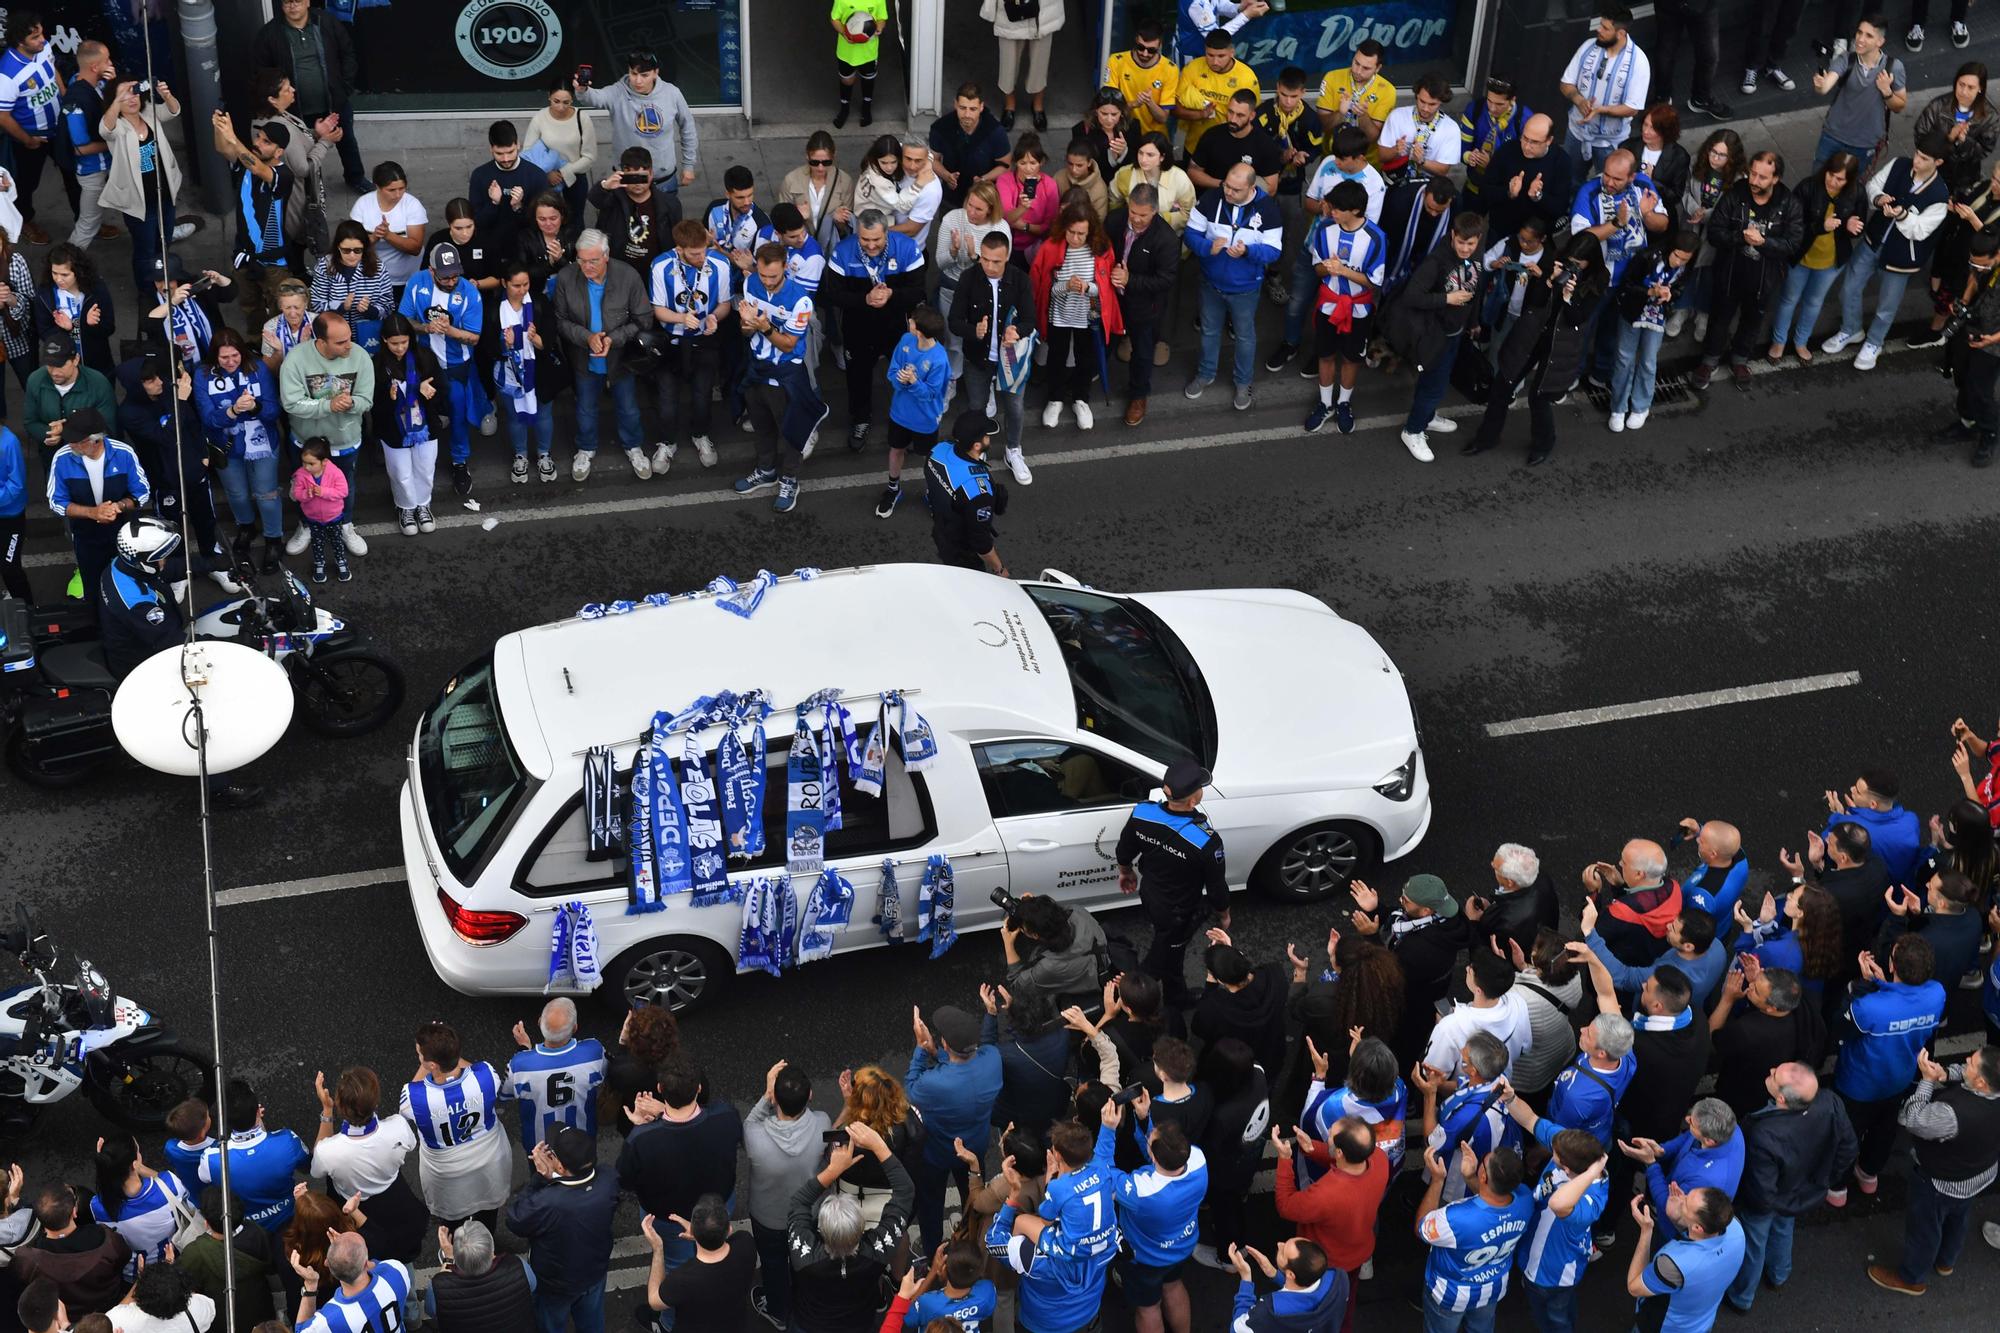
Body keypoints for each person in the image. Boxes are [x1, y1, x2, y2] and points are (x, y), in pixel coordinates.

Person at [1863, 1043, 2000, 1294]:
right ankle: (1946, 1261)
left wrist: (1927, 1080)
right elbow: (1966, 1074)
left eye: (1970, 1063)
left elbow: (1912, 1119)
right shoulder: (1991, 1089)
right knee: (1958, 1218)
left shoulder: (1952, 1115)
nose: (1966, 1059)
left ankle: (1911, 1278)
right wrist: (1946, 1074)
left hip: (1940, 1182)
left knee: (1925, 1231)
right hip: (1978, 1175)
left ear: (1981, 1083)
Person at [1724, 1062, 1855, 1311]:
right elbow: (1848, 1148)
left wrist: (1777, 1203)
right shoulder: (1830, 1103)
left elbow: (1762, 1193)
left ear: (1781, 1098)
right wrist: (1823, 1180)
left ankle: (1742, 1298)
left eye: (1774, 1074)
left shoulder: (1765, 1134)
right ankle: (1779, 1275)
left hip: (1769, 1201)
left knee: (1754, 1246)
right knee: (1784, 1230)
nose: (1771, 1069)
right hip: (1799, 1192)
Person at [1830, 934, 1947, 1201]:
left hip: (1858, 1083)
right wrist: (1882, 983)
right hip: (1899, 1079)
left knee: (1847, 1134)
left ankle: (1837, 1187)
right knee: (1884, 1131)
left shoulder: (1870, 1006)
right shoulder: (1936, 994)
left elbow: (1842, 1029)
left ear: (1892, 965)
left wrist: (1862, 985)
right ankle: (1869, 1174)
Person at [1114, 761, 1230, 1009]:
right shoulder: (1205, 841)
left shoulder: (1142, 812)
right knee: (1165, 955)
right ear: (1192, 801)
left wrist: (1126, 871)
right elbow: (1217, 887)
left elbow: (1125, 849)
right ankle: (1131, 996)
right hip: (1179, 909)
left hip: (1150, 894)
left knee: (1170, 950)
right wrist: (1224, 915)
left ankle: (1176, 995)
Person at [617, 1055, 744, 1280]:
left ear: (659, 1089)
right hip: (719, 1204)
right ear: (698, 1088)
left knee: (676, 1269)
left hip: (669, 1218)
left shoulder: (641, 1139)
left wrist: (646, 1124)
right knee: (715, 1250)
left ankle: (673, 1314)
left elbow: (626, 1179)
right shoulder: (726, 1115)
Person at [790, 1120, 913, 1333]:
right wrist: (879, 1146)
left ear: (820, 1229)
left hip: (809, 1325)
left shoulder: (804, 1255)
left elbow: (798, 1203)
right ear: (862, 1227)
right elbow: (905, 1191)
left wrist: (833, 1170)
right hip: (859, 1324)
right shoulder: (877, 1252)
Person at [1693, 151, 1802, 389]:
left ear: (1776, 178)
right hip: (1730, 273)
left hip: (1765, 278)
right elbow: (1715, 233)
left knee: (1752, 321)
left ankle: (1740, 359)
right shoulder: (1735, 195)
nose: (1754, 181)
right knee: (1720, 319)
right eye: (1753, 173)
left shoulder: (1788, 204)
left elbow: (1793, 244)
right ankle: (1709, 360)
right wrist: (1740, 237)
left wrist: (1764, 242)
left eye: (1763, 177)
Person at [551, 228, 651, 482]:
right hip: (584, 358)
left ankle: (634, 446)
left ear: (606, 256)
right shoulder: (565, 277)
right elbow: (559, 321)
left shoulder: (628, 276)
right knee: (585, 407)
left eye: (593, 260)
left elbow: (644, 319)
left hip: (620, 358)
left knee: (628, 407)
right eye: (581, 260)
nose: (586, 266)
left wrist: (612, 339)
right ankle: (585, 448)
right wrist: (587, 337)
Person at [734, 241, 828, 511]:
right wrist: (747, 325)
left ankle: (790, 479)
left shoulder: (801, 299)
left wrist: (763, 327)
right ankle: (766, 471)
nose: (767, 282)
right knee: (762, 426)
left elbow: (788, 344)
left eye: (773, 276)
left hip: (786, 373)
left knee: (791, 432)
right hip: (757, 368)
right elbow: (744, 331)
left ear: (786, 268)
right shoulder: (751, 284)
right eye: (763, 275)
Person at [1388, 213, 1486, 463]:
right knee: (1435, 385)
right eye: (1461, 242)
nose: (1465, 249)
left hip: (1455, 332)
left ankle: (1427, 416)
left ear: (1479, 240)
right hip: (1435, 335)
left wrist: (1473, 322)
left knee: (1434, 382)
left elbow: (1474, 290)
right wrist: (1446, 299)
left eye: (1471, 244)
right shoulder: (1436, 261)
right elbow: (1411, 296)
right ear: (1452, 235)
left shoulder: (1475, 256)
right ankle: (1413, 430)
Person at [1183, 162, 1280, 410]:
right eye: (1226, 185)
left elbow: (1274, 250)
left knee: (1245, 337)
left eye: (1235, 190)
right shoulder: (1211, 198)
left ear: (1251, 188)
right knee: (1209, 331)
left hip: (1246, 288)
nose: (1228, 192)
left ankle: (1243, 381)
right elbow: (1191, 233)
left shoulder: (1268, 209)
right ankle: (1205, 374)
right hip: (1211, 283)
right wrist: (1207, 247)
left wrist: (1249, 251)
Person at [906, 1005, 1003, 1252]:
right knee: (973, 1195)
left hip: (937, 1154)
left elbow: (911, 1089)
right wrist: (937, 1052)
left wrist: (921, 1048)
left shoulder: (934, 1083)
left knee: (931, 1204)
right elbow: (980, 1055)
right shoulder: (992, 1059)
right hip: (975, 1147)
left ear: (946, 1045)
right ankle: (972, 1237)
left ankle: (931, 1252)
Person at [1273, 1116, 1386, 1328]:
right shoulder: (1379, 1158)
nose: (1328, 1138)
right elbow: (1346, 1160)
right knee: (1345, 1304)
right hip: (1357, 1253)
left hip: (1325, 1264)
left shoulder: (1326, 1194)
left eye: (1330, 1137)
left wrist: (1284, 1159)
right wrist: (1313, 1148)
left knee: (1317, 1313)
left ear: (1341, 1152)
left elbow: (1286, 1206)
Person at [399, 1021, 511, 1234]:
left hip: (446, 1174)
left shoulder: (413, 1097)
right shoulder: (487, 1075)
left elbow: (411, 1094)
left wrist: (436, 1054)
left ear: (432, 1065)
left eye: (420, 1055)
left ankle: (451, 1253)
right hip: (488, 1161)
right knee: (488, 1213)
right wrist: (446, 1048)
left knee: (450, 1222)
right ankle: (486, 1245)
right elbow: (466, 1067)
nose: (419, 1058)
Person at [505, 1125, 618, 1333]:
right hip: (595, 1271)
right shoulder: (608, 1179)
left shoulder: (550, 1202)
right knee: (592, 1323)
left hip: (556, 1283)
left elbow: (515, 1219)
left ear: (560, 1166)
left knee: (551, 1325)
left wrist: (540, 1178)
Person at [277, 311, 372, 556]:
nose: (348, 345)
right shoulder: (296, 360)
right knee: (304, 483)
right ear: (321, 341)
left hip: (346, 439)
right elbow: (291, 403)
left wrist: (351, 404)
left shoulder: (360, 357)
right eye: (340, 342)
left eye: (349, 338)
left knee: (345, 485)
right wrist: (328, 406)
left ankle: (346, 525)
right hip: (306, 442)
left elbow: (366, 400)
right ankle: (306, 525)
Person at [744, 1060, 828, 1331]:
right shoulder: (822, 1122)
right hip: (807, 1215)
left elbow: (752, 1119)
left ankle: (778, 1311)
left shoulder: (755, 1136)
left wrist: (768, 1092)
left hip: (768, 1217)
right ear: (811, 1096)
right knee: (803, 1260)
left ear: (775, 1099)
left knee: (772, 1263)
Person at [1416, 1143, 1534, 1332]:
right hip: (1493, 1287)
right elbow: (1495, 1198)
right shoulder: (1526, 1199)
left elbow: (1422, 1227)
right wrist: (1471, 1177)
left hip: (1450, 1293)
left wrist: (1437, 1180)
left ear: (1484, 1176)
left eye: (1484, 1161)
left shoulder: (1457, 1218)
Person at [398, 241, 483, 494]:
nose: (451, 281)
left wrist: (449, 331)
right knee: (417, 408)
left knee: (458, 409)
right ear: (432, 270)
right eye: (445, 277)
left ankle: (459, 460)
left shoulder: (469, 292)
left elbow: (474, 337)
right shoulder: (417, 282)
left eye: (456, 274)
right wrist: (425, 328)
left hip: (456, 362)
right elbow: (403, 320)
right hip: (424, 361)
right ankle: (416, 457)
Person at [45, 405, 146, 614]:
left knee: (129, 579)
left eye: (76, 441)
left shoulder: (124, 453)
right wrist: (92, 513)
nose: (70, 444)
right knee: (92, 584)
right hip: (85, 534)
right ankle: (98, 622)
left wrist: (118, 507)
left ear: (95, 439)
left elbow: (142, 492)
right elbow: (56, 501)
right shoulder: (62, 458)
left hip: (123, 533)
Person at [948, 233, 1034, 478]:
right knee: (977, 407)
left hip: (1011, 359)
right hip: (977, 357)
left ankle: (1013, 451)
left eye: (996, 261)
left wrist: (1016, 330)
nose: (989, 266)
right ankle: (979, 450)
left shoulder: (1021, 280)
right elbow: (954, 321)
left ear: (1007, 257)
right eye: (984, 259)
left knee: (1015, 408)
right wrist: (972, 330)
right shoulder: (968, 278)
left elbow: (1030, 320)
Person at [1029, 201, 1121, 430]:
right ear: (1064, 227)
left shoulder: (1102, 247)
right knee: (1056, 358)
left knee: (1085, 359)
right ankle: (1055, 399)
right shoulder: (1051, 247)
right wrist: (1066, 287)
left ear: (1091, 231)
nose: (1076, 238)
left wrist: (1088, 288)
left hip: (1088, 316)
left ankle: (1081, 399)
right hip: (1058, 315)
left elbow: (1108, 288)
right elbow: (1042, 289)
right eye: (1072, 232)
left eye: (1082, 233)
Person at [99, 76, 185, 296]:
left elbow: (173, 110)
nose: (131, 98)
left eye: (134, 92)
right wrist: (117, 101)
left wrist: (166, 95)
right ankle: (147, 291)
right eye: (124, 94)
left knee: (163, 243)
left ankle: (164, 282)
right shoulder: (117, 125)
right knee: (145, 250)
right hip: (139, 202)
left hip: (164, 194)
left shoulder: (149, 113)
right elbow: (105, 130)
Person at [212, 112, 295, 335]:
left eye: (266, 142)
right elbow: (224, 149)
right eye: (258, 137)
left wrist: (232, 137)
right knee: (250, 308)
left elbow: (258, 168)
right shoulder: (245, 166)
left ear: (279, 151)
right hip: (244, 256)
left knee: (280, 311)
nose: (258, 143)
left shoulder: (283, 175)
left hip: (273, 261)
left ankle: (279, 351)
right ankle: (256, 345)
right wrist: (220, 128)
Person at [575, 50, 698, 199]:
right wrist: (583, 90)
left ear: (655, 73)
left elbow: (688, 128)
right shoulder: (618, 92)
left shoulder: (672, 93)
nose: (638, 80)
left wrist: (688, 165)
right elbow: (596, 98)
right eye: (634, 74)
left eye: (644, 75)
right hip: (628, 179)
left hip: (663, 178)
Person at [1104, 185, 1177, 426]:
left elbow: (1166, 279)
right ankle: (1094, 373)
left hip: (1145, 306)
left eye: (1142, 215)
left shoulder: (1165, 239)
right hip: (1112, 298)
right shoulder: (1115, 221)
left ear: (1155, 211)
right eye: (1132, 211)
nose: (1135, 218)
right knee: (1106, 337)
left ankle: (1138, 395)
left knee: (1143, 353)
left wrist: (1130, 280)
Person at [505, 996, 606, 1152]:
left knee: (540, 1176)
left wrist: (524, 1049)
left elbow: (506, 1094)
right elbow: (606, 1073)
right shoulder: (594, 1052)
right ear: (575, 1028)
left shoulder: (520, 1064)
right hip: (582, 1141)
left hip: (540, 1147)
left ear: (539, 1022)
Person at [1560, 8, 1653, 177]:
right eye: (1600, 25)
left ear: (1620, 33)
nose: (1598, 30)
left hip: (1610, 143)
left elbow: (1633, 108)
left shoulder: (1638, 62)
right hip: (1576, 133)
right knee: (1568, 180)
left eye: (1605, 28)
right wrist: (1578, 100)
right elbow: (1566, 83)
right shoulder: (1588, 47)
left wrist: (1601, 110)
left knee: (1610, 188)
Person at [877, 303, 949, 518]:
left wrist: (913, 382)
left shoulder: (939, 359)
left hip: (925, 420)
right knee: (896, 449)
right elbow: (892, 371)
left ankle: (932, 492)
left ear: (919, 330)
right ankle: (893, 489)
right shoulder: (905, 340)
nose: (908, 322)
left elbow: (931, 394)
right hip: (899, 414)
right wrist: (901, 382)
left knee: (927, 456)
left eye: (912, 321)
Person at [644, 1193, 754, 1332]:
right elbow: (729, 1240)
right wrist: (700, 1235)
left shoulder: (682, 1279)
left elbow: (654, 1301)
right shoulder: (745, 1243)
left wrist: (658, 1250)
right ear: (729, 1229)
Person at [14, 1185, 129, 1318]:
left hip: (68, 1316)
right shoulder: (107, 1240)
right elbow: (124, 1257)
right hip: (110, 1307)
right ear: (74, 1212)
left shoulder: (28, 1259)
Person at [0, 12, 65, 245]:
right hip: (33, 139)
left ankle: (88, 220)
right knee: (26, 184)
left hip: (60, 128)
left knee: (74, 174)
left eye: (41, 33)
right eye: (35, 37)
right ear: (20, 41)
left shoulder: (43, 48)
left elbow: (54, 71)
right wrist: (28, 140)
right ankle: (26, 221)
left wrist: (66, 98)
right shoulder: (6, 75)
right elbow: (3, 116)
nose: (43, 39)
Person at [1811, 16, 1906, 175]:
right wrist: (1820, 86)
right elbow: (1826, 85)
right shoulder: (1846, 59)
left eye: (1868, 36)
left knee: (1851, 190)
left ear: (1880, 41)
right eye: (1859, 32)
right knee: (1817, 183)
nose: (1860, 39)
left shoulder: (1893, 67)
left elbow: (1900, 105)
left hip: (1865, 143)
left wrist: (1887, 92)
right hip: (1833, 136)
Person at [924, 408, 1009, 573]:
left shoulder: (937, 450)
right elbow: (981, 542)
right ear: (977, 445)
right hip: (962, 550)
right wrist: (1000, 569)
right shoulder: (977, 490)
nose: (989, 438)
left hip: (941, 530)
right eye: (987, 436)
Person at [178, 1193, 277, 1332]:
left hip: (222, 1319)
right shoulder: (257, 1232)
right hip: (260, 1311)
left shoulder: (195, 1253)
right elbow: (271, 1267)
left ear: (206, 1223)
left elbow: (183, 1286)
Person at [426, 1219, 534, 1333]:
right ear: (491, 1249)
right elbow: (532, 1286)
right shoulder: (518, 1266)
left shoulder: (439, 1288)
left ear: (456, 1257)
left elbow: (432, 1311)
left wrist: (448, 1259)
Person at [291, 1231, 411, 1333]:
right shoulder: (397, 1271)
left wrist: (310, 1286)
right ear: (365, 1263)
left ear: (327, 1263)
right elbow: (377, 1266)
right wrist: (350, 1253)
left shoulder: (329, 1320)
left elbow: (301, 1330)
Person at [61, 41, 119, 251]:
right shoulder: (75, 102)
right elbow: (81, 148)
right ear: (95, 67)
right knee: (88, 224)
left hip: (113, 164)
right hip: (93, 171)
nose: (111, 63)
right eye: (107, 60)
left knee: (142, 203)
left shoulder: (102, 84)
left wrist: (114, 87)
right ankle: (66, 266)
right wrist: (118, 141)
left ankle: (163, 234)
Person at [1821, 767, 1924, 882]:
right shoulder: (1911, 820)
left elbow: (1826, 846)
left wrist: (1837, 815)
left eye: (1858, 791)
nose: (1852, 789)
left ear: (1873, 804)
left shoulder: (1850, 827)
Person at [1176, 30, 1260, 161]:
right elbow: (1176, 109)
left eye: (1221, 56)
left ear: (1232, 52)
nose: (1215, 61)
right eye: (1210, 55)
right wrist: (1201, 115)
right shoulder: (1192, 68)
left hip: (1230, 148)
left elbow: (1252, 117)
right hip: (1195, 146)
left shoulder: (1247, 78)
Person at [983, 0, 1064, 132]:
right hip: (1010, 8)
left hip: (1043, 9)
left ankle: (1038, 105)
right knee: (1008, 62)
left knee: (1040, 61)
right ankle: (1010, 105)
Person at [521, 78, 597, 220]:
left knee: (575, 221)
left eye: (566, 102)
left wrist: (563, 172)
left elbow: (590, 156)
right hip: (545, 179)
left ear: (572, 100)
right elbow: (527, 153)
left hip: (575, 177)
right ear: (549, 96)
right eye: (556, 101)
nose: (561, 107)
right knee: (547, 222)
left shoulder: (582, 118)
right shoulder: (540, 118)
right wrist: (546, 173)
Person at [931, 82, 1013, 210]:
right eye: (962, 108)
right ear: (955, 104)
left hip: (984, 198)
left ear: (981, 107)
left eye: (973, 109)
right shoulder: (941, 128)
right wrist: (946, 175)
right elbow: (932, 159)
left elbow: (1005, 166)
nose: (967, 114)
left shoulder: (995, 131)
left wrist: (983, 180)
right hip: (951, 196)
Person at [1188, 90, 1282, 196]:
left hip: (1247, 206)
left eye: (1240, 115)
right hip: (1212, 199)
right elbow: (1193, 172)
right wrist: (1223, 185)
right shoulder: (1211, 135)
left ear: (1252, 116)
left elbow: (1271, 188)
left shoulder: (1265, 145)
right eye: (1230, 112)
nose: (1233, 119)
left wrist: (1239, 194)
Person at [1377, 73, 1461, 187]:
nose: (1425, 108)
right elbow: (1382, 156)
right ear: (1416, 95)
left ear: (1441, 102)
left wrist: (1422, 161)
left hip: (1429, 187)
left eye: (1432, 104)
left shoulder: (1451, 128)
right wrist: (1395, 150)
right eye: (1422, 101)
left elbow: (1443, 170)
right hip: (1395, 182)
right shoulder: (1397, 116)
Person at [780, 131, 856, 257]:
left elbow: (848, 228)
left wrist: (838, 221)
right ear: (807, 156)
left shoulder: (844, 181)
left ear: (833, 156)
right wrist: (797, 218)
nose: (820, 168)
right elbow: (781, 221)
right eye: (815, 162)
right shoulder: (792, 180)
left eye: (826, 162)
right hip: (800, 249)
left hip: (831, 249)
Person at [1459, 78, 1530, 206]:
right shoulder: (1474, 110)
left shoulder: (1525, 120)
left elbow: (1526, 164)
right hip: (1475, 183)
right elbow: (1461, 150)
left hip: (1506, 189)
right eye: (1489, 101)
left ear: (1513, 100)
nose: (1492, 108)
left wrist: (1493, 165)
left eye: (1499, 104)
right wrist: (1470, 157)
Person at [1105, 20, 1180, 139]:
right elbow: (1109, 108)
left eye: (1151, 50)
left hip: (1152, 138)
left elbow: (1163, 118)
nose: (1145, 54)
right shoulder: (1116, 61)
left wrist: (1149, 103)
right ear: (1136, 41)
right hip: (1122, 132)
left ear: (1160, 45)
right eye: (1140, 47)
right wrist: (1134, 104)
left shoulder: (1170, 70)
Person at [1316, 39, 1395, 148]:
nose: (1358, 71)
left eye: (1366, 68)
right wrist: (1340, 113)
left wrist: (1363, 116)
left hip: (1367, 161)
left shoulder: (1388, 90)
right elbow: (1322, 127)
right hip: (1331, 157)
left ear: (1378, 68)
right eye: (1356, 63)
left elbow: (1372, 138)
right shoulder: (1331, 77)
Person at [995, 136, 1057, 266]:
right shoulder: (1005, 181)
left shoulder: (1049, 185)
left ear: (1041, 162)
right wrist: (1023, 207)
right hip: (1009, 244)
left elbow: (1049, 225)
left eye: (1033, 163)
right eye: (1022, 163)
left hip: (1037, 246)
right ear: (1015, 163)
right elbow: (1005, 217)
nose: (1028, 168)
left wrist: (1024, 226)